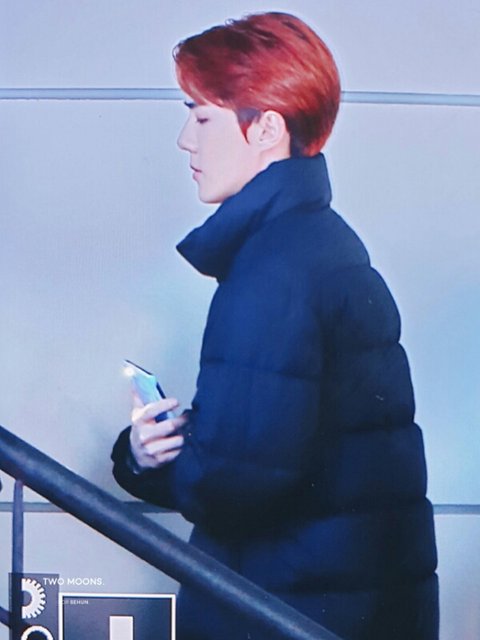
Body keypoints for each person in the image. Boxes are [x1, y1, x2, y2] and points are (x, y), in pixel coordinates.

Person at [112, 12, 438, 640]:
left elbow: (234, 483)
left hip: (280, 610)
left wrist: (139, 462)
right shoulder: (322, 243)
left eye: (201, 117)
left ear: (266, 129)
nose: (184, 140)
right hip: (345, 607)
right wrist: (166, 449)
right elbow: (290, 446)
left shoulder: (272, 272)